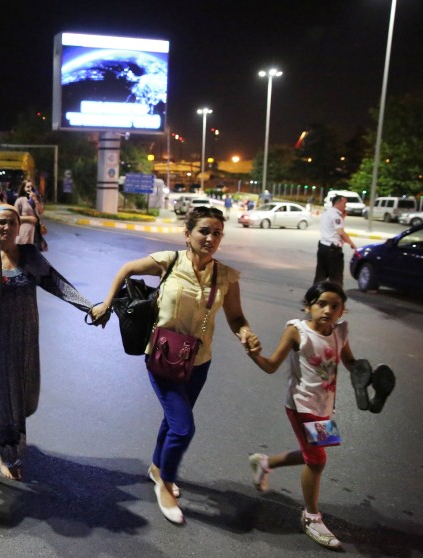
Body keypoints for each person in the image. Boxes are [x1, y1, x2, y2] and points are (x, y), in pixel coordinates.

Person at [90, 206, 260, 525]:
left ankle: (157, 467)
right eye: (204, 231)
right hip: (161, 356)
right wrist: (107, 302)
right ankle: (166, 483)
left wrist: (246, 332)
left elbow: (236, 317)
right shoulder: (169, 262)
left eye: (217, 233)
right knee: (183, 427)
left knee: (172, 421)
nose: (210, 238)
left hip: (198, 362)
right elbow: (126, 269)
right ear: (187, 234)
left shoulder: (225, 277)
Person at [0, 205, 93, 480]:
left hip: (25, 337)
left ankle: (16, 440)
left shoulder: (28, 255)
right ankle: (6, 450)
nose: (7, 228)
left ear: (19, 227)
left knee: (20, 391)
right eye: (1, 222)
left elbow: (55, 282)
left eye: (12, 223)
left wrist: (87, 306)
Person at [243, 281, 358, 550]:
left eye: (335, 305)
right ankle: (311, 516)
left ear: (342, 311)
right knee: (317, 460)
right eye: (321, 304)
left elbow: (350, 362)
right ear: (308, 306)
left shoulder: (340, 332)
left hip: (324, 406)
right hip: (300, 404)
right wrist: (253, 353)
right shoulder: (298, 331)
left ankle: (265, 462)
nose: (328, 310)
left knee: (311, 454)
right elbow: (271, 365)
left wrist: (367, 376)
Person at [313, 195, 357, 287]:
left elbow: (331, 228)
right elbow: (341, 232)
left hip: (323, 247)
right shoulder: (336, 216)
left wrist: (343, 217)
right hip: (333, 251)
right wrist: (352, 244)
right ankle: (336, 299)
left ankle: (313, 296)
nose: (345, 206)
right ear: (337, 203)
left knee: (320, 275)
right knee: (336, 279)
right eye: (344, 203)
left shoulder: (326, 213)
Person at [14, 180, 45, 249]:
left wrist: (35, 199)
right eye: (27, 187)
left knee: (35, 252)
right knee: (25, 250)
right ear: (23, 188)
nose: (30, 188)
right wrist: (29, 218)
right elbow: (15, 216)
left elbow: (41, 211)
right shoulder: (20, 200)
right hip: (24, 230)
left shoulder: (36, 199)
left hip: (36, 230)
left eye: (31, 187)